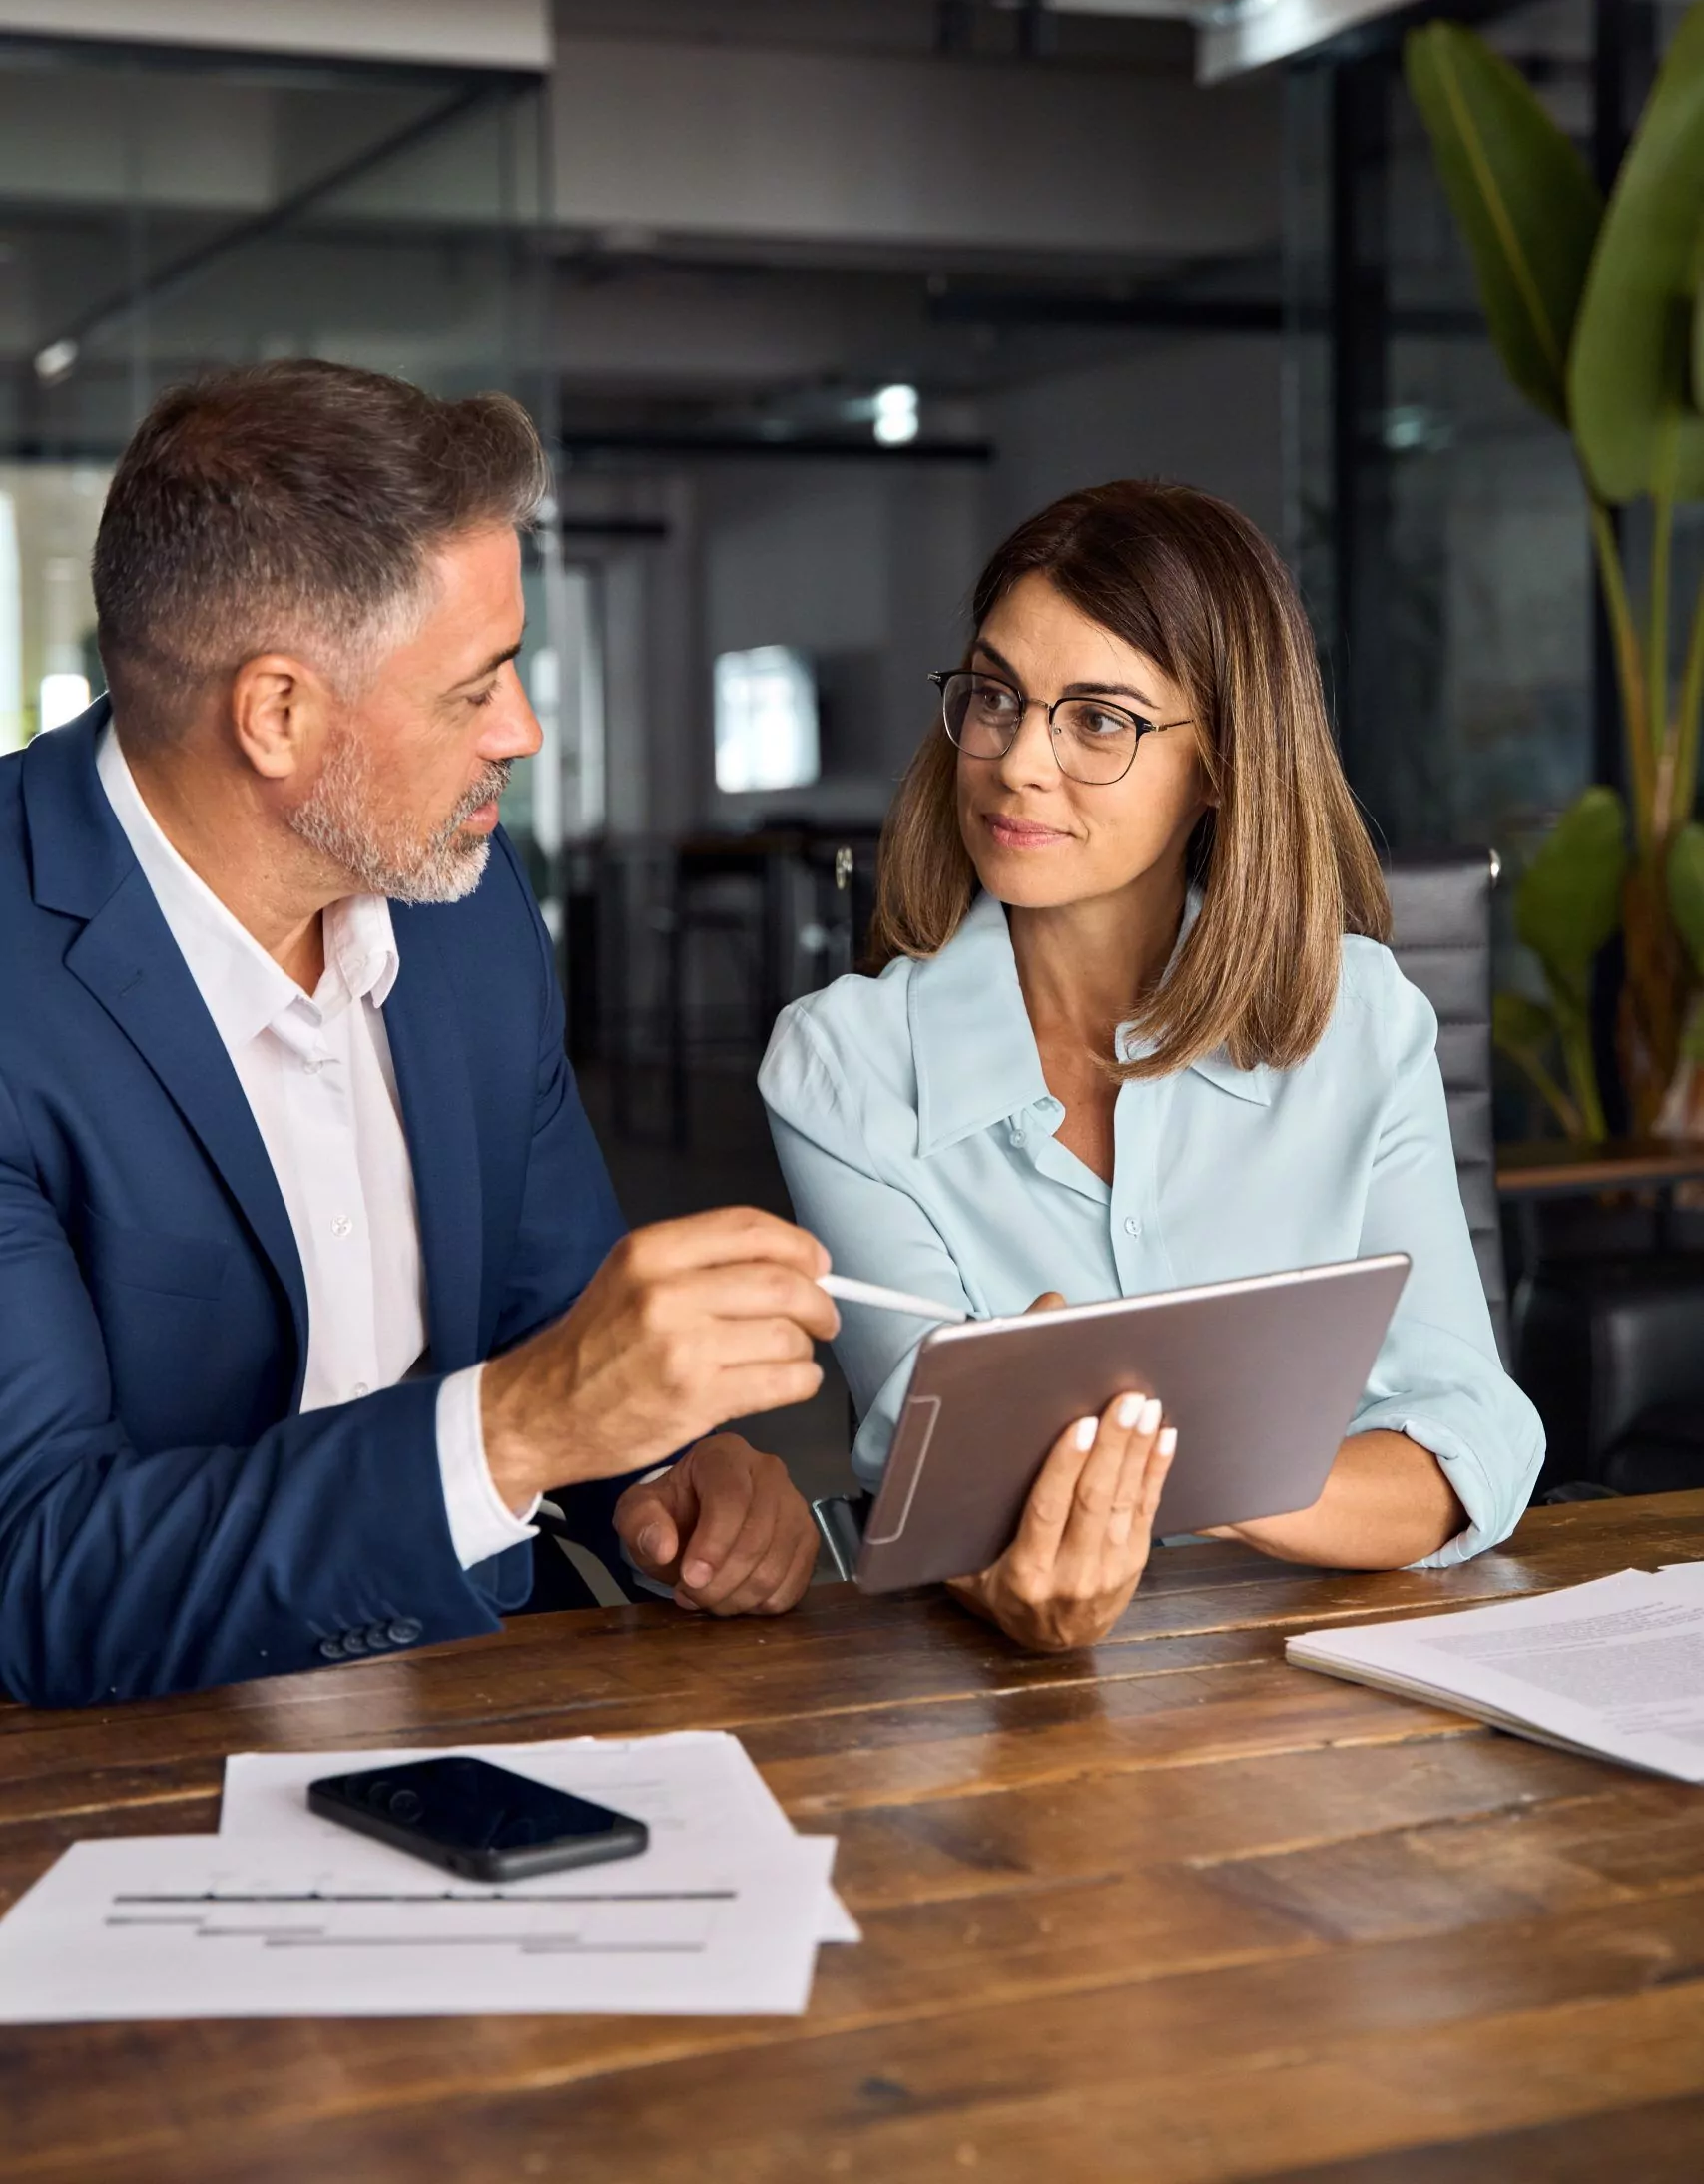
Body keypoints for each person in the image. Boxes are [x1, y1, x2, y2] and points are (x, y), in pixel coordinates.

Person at [0, 361, 838, 1707]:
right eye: (476, 684)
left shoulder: (462, 896)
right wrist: (517, 1430)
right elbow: (37, 1580)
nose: (523, 730)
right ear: (277, 713)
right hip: (125, 1756)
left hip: (491, 1680)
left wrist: (675, 1462)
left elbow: (553, 1306)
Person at [761, 479, 1543, 1653]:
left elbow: (1469, 1440)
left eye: (1099, 719)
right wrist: (1237, 1464)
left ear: (1221, 763)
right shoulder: (842, 1070)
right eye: (996, 697)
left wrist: (1193, 1475)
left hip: (1335, 1675)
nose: (1020, 761)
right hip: (999, 1707)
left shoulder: (1360, 1019)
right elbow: (942, 1486)